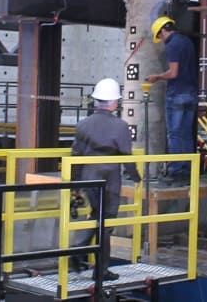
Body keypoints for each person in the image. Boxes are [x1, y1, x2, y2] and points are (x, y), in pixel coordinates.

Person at [69, 78, 141, 280]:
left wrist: (74, 185)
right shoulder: (120, 126)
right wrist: (136, 177)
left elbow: (75, 155)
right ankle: (99, 269)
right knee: (106, 223)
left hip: (88, 177)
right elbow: (126, 156)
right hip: (109, 178)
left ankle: (78, 252)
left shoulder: (83, 124)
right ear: (113, 103)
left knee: (95, 215)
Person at [144, 16, 198, 185]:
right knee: (186, 134)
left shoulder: (172, 44)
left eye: (159, 36)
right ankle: (188, 169)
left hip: (177, 94)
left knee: (174, 134)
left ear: (162, 30)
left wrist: (157, 77)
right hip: (191, 94)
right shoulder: (187, 41)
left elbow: (173, 73)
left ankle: (176, 171)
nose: (160, 40)